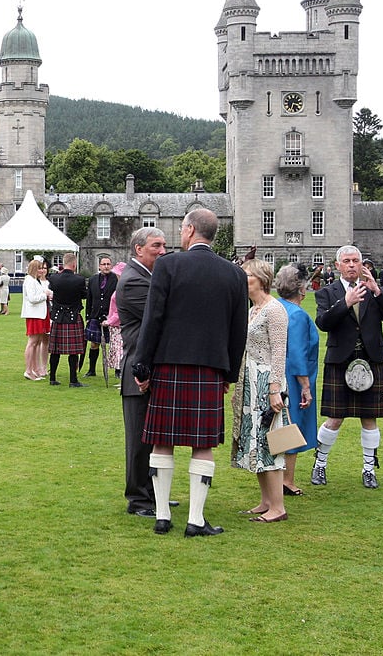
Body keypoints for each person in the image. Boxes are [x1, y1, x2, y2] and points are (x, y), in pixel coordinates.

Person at [132, 209, 248, 537]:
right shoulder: (234, 274)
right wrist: (229, 374)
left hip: (168, 364)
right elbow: (238, 330)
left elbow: (153, 319)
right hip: (211, 368)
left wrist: (143, 365)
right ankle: (196, 520)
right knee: (203, 445)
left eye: (181, 228)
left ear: (191, 230)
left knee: (161, 442)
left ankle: (163, 515)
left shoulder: (168, 265)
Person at [312, 245, 383, 489]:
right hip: (341, 359)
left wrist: (378, 291)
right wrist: (345, 302)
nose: (352, 265)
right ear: (338, 265)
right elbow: (323, 323)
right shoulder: (328, 293)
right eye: (347, 261)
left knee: (370, 418)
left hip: (371, 358)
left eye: (356, 261)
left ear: (362, 265)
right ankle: (319, 464)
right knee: (334, 419)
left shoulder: (373, 290)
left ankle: (369, 470)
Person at [230, 259, 289, 523]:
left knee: (270, 442)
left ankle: (278, 507)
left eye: (247, 275)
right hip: (250, 380)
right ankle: (266, 501)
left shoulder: (275, 310)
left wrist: (275, 389)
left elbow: (279, 352)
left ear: (261, 279)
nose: (243, 280)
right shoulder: (253, 309)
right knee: (255, 439)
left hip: (267, 381)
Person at [116, 227, 167, 517]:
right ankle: (138, 499)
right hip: (137, 371)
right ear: (138, 249)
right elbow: (160, 317)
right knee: (138, 441)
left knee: (154, 438)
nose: (162, 251)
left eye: (163, 245)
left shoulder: (146, 277)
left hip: (150, 369)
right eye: (156, 246)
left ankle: (154, 492)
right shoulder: (134, 281)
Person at [274, 264, 319, 496]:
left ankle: (279, 478)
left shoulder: (276, 307)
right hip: (293, 378)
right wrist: (305, 387)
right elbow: (298, 353)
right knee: (293, 427)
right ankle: (287, 480)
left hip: (276, 376)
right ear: (302, 289)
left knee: (281, 426)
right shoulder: (298, 315)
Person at [47, 252, 87, 387]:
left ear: (63, 264)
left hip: (58, 317)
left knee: (55, 350)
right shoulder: (79, 280)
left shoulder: (53, 278)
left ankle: (52, 378)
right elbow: (84, 295)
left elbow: (52, 291)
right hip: (73, 317)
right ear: (74, 264)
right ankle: (73, 380)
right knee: (74, 352)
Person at [84, 256, 117, 378]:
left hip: (112, 316)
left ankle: (117, 371)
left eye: (108, 264)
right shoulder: (92, 279)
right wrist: (88, 315)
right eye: (103, 264)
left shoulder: (116, 279)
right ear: (99, 266)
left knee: (114, 344)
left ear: (111, 265)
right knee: (94, 344)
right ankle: (92, 370)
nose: (106, 266)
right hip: (95, 315)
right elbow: (89, 298)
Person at [21, 258, 52, 380]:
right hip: (34, 315)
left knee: (37, 342)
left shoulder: (35, 281)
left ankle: (34, 370)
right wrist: (45, 295)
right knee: (32, 342)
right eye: (39, 268)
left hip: (40, 314)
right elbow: (32, 298)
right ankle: (28, 370)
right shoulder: (30, 280)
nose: (42, 270)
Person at [103, 261, 127, 378]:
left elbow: (119, 311)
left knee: (120, 351)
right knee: (118, 350)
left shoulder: (122, 289)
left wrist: (109, 321)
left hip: (119, 325)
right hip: (116, 324)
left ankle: (123, 377)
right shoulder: (121, 287)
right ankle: (122, 376)